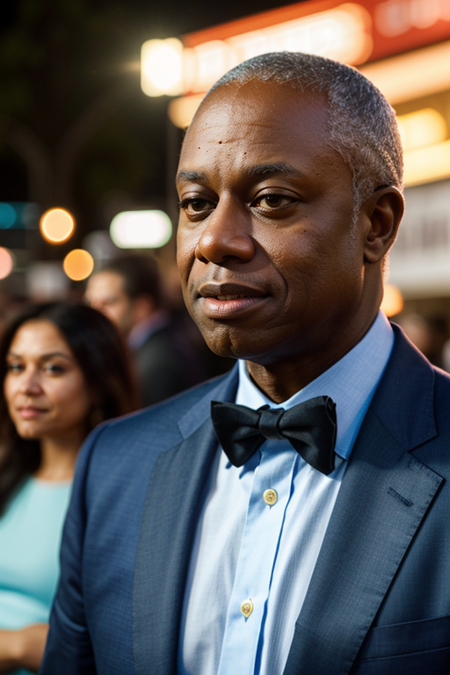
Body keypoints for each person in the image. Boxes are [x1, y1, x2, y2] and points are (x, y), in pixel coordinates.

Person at [41, 52, 450, 675]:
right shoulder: (114, 467)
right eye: (196, 203)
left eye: (271, 200)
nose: (212, 241)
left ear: (377, 224)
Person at [0, 302, 138, 675]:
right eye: (16, 367)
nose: (27, 386)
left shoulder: (123, 496)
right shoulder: (8, 475)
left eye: (53, 368)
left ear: (97, 382)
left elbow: (116, 639)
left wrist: (15, 647)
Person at [85, 254, 207, 406]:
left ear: (142, 307)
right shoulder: (161, 344)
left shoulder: (159, 365)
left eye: (108, 303)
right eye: (91, 302)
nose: (96, 312)